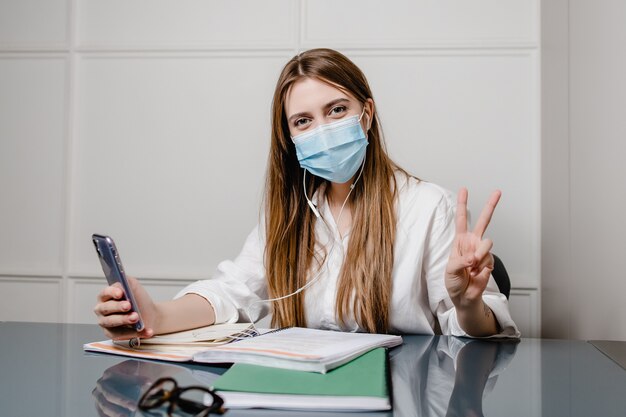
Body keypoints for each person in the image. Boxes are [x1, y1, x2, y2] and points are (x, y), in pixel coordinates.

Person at [94, 48, 519, 340]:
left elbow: (480, 332)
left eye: (336, 110)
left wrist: (466, 306)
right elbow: (233, 292)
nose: (323, 129)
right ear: (290, 138)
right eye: (302, 121)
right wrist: (154, 314)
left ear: (366, 115)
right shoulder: (290, 215)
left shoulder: (429, 207)